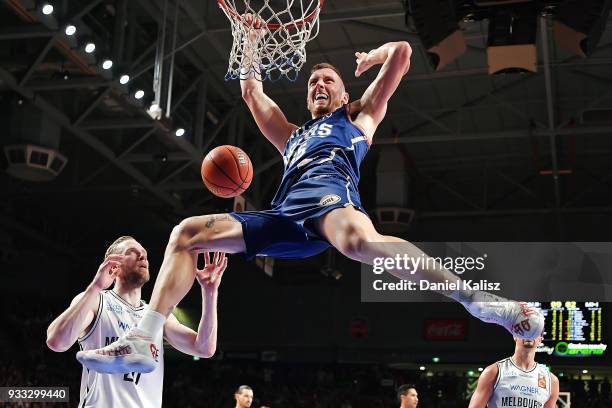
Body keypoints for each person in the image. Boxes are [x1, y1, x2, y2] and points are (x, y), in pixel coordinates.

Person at [76, 15, 543, 374]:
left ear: (343, 96)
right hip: (282, 218)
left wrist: (370, 59)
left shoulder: (358, 122)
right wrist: (252, 40)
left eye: (329, 81)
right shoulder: (292, 137)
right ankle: (145, 339)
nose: (319, 85)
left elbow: (402, 52)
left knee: (361, 243)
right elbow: (252, 93)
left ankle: (481, 303)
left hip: (331, 210)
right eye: (313, 82)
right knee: (186, 233)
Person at [46, 236, 226, 407]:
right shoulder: (96, 300)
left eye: (145, 253)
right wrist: (96, 286)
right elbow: (57, 342)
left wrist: (210, 292)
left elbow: (204, 348)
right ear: (113, 263)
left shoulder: (155, 316)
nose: (143, 256)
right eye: (133, 251)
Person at [468, 334, 559, 408]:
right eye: (525, 330)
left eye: (534, 331)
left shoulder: (551, 380)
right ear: (515, 335)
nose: (529, 334)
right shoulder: (494, 371)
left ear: (540, 339)